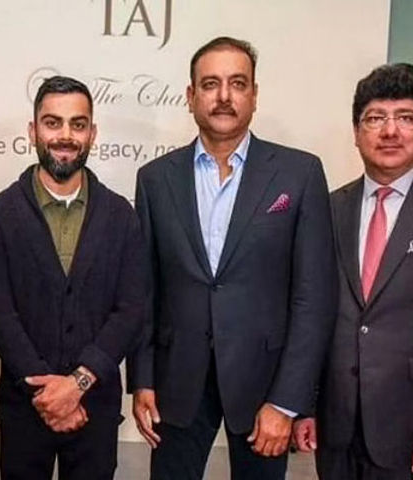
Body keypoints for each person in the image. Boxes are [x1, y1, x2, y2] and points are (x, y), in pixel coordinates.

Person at [128, 36, 338, 480]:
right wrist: (142, 379)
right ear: (191, 96)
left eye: (237, 83)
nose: (224, 96)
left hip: (265, 386)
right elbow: (146, 290)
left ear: (254, 95)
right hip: (177, 384)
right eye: (210, 84)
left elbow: (313, 300)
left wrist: (288, 401)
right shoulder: (155, 179)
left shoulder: (300, 174)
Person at [0, 75, 147, 480]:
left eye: (78, 124)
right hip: (24, 409)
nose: (65, 136)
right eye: (53, 123)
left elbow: (130, 310)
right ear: (33, 131)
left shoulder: (121, 215)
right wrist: (48, 393)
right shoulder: (0, 214)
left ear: (93, 134)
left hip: (95, 409)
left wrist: (78, 384)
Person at [292, 63, 413, 480]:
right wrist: (305, 405)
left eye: (406, 117)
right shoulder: (327, 209)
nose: (390, 131)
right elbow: (309, 313)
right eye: (375, 118)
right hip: (335, 425)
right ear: (356, 132)